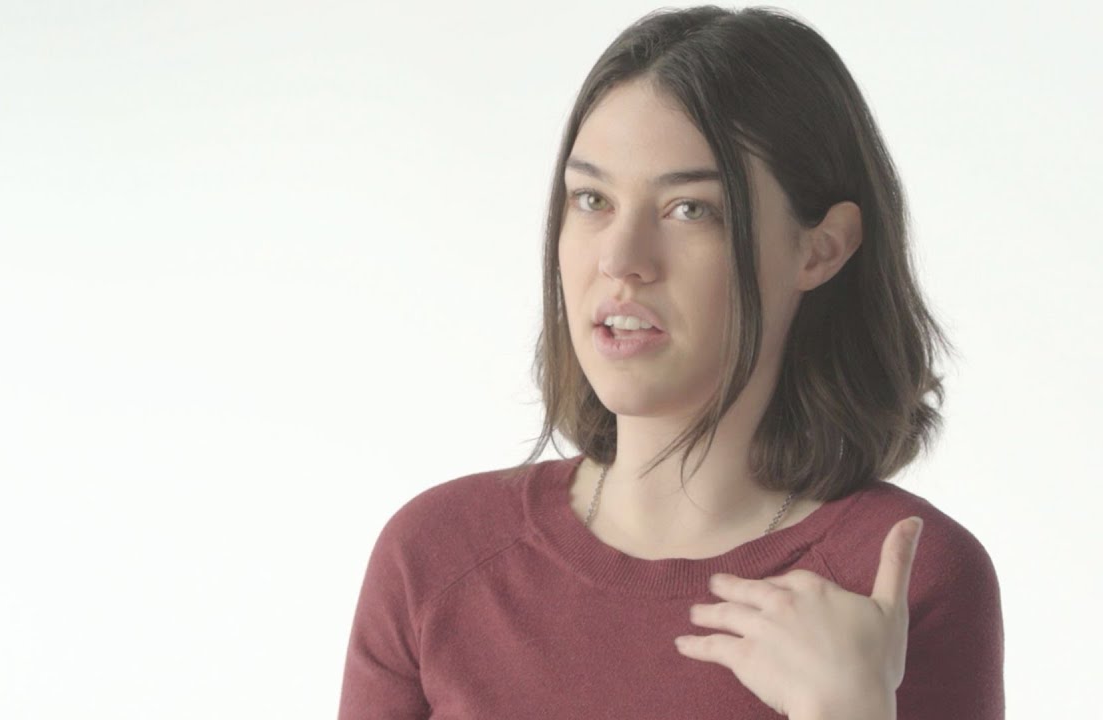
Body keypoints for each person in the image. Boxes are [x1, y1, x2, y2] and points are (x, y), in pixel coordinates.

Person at [339, 6, 1003, 719]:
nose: (620, 259)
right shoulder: (435, 557)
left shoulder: (903, 581)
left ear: (822, 248)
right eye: (591, 199)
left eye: (690, 210)